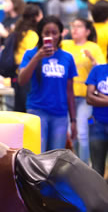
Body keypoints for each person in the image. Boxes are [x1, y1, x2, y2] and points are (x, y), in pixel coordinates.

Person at [18, 16, 78, 152]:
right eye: (47, 33)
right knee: (38, 155)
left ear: (60, 34)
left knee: (56, 157)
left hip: (60, 115)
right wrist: (37, 57)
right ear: (41, 34)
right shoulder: (31, 54)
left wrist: (73, 119)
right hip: (37, 110)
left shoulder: (67, 57)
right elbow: (22, 80)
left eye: (55, 33)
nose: (51, 36)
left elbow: (70, 91)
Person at [61, 17, 106, 164]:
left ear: (87, 31)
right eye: (73, 26)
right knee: (69, 135)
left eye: (79, 26)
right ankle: (70, 167)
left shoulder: (93, 47)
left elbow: (102, 70)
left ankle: (84, 167)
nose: (74, 29)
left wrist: (93, 61)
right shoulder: (65, 44)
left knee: (82, 134)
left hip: (84, 98)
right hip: (66, 97)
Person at [11, 4, 43, 112]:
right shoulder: (32, 35)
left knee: (19, 109)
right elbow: (31, 56)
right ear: (37, 17)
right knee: (26, 110)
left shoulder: (19, 31)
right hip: (26, 75)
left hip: (16, 74)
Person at [85, 62, 108, 177]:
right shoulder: (97, 70)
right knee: (96, 170)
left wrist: (98, 94)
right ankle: (98, 195)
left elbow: (93, 94)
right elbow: (89, 98)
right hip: (97, 124)